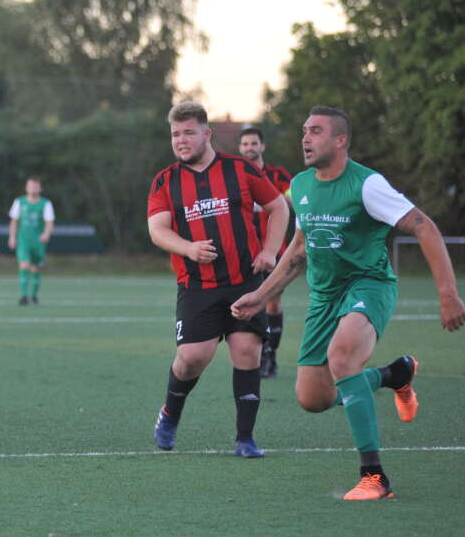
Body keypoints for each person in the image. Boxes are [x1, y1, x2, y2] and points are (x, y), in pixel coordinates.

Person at [232, 106, 465, 500]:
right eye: (304, 130)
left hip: (368, 285)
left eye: (316, 131)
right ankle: (396, 375)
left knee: (342, 358)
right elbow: (299, 251)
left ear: (340, 140)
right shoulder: (301, 186)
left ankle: (375, 477)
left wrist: (448, 294)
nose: (306, 138)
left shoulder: (367, 184)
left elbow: (423, 226)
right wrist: (260, 296)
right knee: (313, 398)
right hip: (324, 297)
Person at [146, 102, 288, 458]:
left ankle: (245, 438)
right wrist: (189, 248)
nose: (181, 140)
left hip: (244, 280)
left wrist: (270, 251)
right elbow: (157, 230)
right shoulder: (166, 180)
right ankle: (169, 414)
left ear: (207, 134)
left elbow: (278, 208)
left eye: (188, 132)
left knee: (246, 350)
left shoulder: (239, 169)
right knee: (194, 356)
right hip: (197, 286)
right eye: (175, 134)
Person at [238, 127, 294, 378]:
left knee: (272, 300)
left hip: (275, 251)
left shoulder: (277, 175)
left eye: (253, 143)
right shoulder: (235, 174)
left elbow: (293, 200)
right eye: (245, 144)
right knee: (246, 302)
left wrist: (271, 201)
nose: (249, 148)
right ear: (240, 148)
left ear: (262, 146)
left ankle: (269, 355)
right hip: (244, 252)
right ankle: (253, 353)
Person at [7, 176, 55, 305]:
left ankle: (34, 296)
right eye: (31, 186)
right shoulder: (19, 202)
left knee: (36, 268)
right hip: (24, 240)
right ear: (26, 188)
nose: (33, 188)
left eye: (36, 186)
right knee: (24, 265)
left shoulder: (45, 203)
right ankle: (23, 296)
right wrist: (12, 237)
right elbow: (14, 221)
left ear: (40, 188)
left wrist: (46, 234)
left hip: (38, 241)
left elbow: (49, 223)